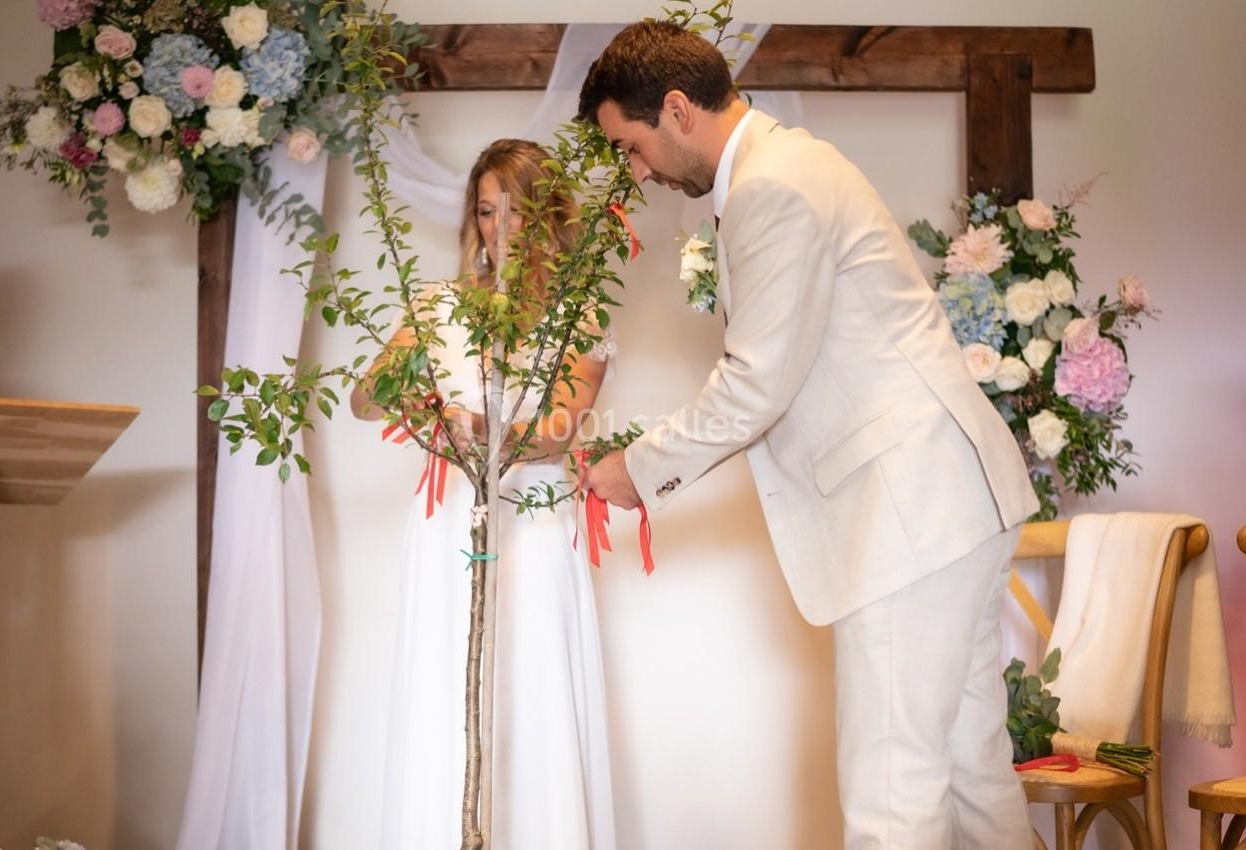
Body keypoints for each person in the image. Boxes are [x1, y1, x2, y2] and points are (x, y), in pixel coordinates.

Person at [578, 22, 1040, 850]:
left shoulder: (771, 186)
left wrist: (636, 468)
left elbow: (758, 383)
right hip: (948, 504)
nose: (635, 170)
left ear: (677, 109)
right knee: (972, 778)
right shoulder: (790, 163)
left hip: (908, 516)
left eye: (631, 145)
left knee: (891, 798)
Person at [350, 138, 616, 850]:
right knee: (447, 693)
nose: (502, 230)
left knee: (533, 687)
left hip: (531, 522)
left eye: (517, 211)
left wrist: (488, 429)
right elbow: (363, 401)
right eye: (487, 212)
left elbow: (560, 429)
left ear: (550, 218)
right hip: (446, 529)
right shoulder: (437, 305)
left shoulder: (577, 317)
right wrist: (406, 384)